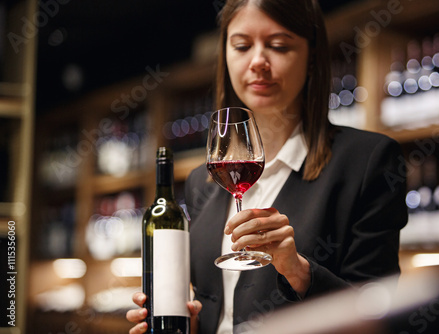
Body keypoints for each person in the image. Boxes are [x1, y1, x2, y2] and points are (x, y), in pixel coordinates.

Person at [127, 0, 408, 333]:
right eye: (242, 46)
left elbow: (382, 319)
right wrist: (188, 323)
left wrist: (299, 271)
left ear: (312, 54)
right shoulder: (202, 181)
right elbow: (221, 310)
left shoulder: (368, 161)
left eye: (278, 45)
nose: (258, 61)